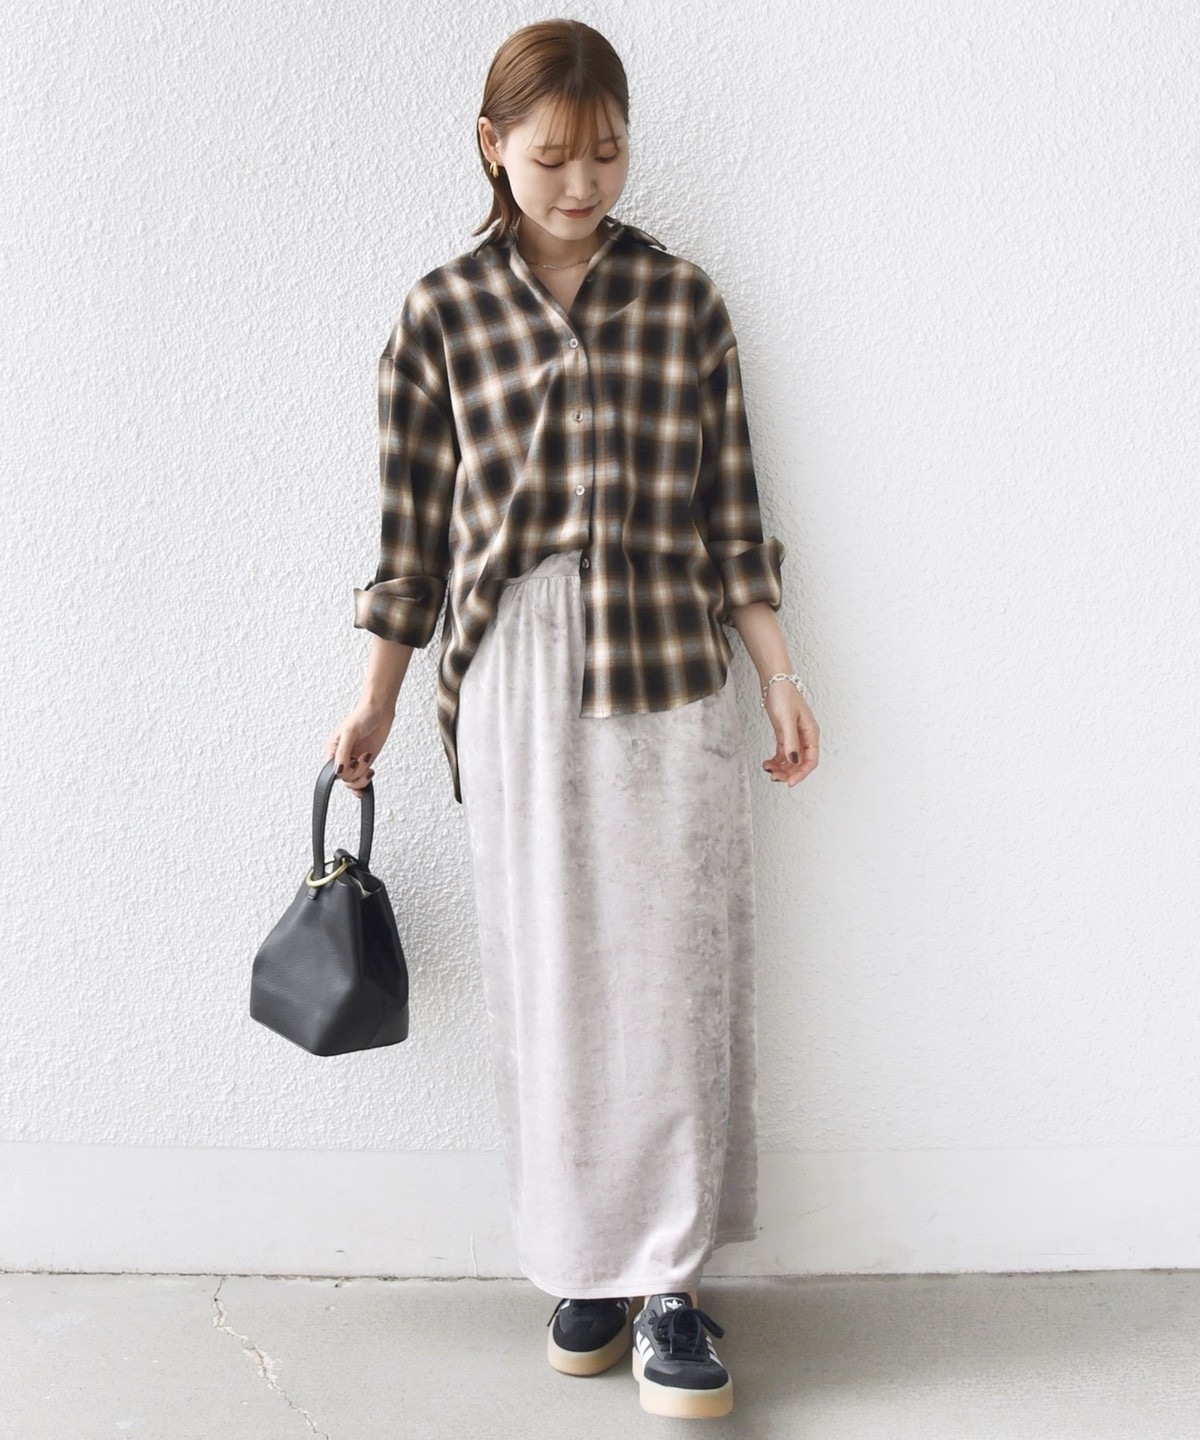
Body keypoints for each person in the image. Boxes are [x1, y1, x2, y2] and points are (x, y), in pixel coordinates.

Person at [326, 18, 819, 1422]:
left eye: (606, 153)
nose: (582, 181)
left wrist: (779, 670)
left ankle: (671, 1286)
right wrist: (373, 699)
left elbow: (733, 511)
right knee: (549, 975)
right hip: (516, 670)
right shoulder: (441, 314)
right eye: (552, 156)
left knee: (672, 972)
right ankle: (583, 1265)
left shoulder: (683, 301)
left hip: (670, 652)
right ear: (493, 148)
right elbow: (413, 537)